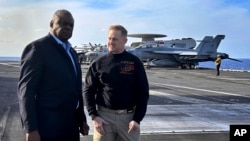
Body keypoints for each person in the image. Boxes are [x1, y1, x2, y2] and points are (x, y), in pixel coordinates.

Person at [17, 9, 89, 141]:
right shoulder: (37, 49)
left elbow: (76, 89)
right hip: (47, 127)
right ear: (51, 24)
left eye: (71, 25)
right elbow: (26, 91)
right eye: (63, 23)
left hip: (70, 126)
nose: (67, 27)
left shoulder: (71, 52)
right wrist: (31, 128)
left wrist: (82, 119)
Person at [83, 25, 149, 141]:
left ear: (125, 41)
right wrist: (94, 116)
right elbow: (88, 90)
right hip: (104, 118)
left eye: (115, 39)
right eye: (109, 38)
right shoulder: (98, 63)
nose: (110, 42)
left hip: (128, 119)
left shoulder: (134, 62)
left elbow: (143, 92)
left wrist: (137, 119)